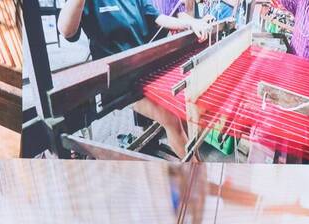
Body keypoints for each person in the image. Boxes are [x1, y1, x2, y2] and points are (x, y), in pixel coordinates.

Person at [57, 0, 214, 158]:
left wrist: (191, 23)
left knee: (182, 113)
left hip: (143, 69)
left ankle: (193, 161)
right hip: (119, 82)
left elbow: (159, 18)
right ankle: (198, 170)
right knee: (171, 119)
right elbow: (66, 31)